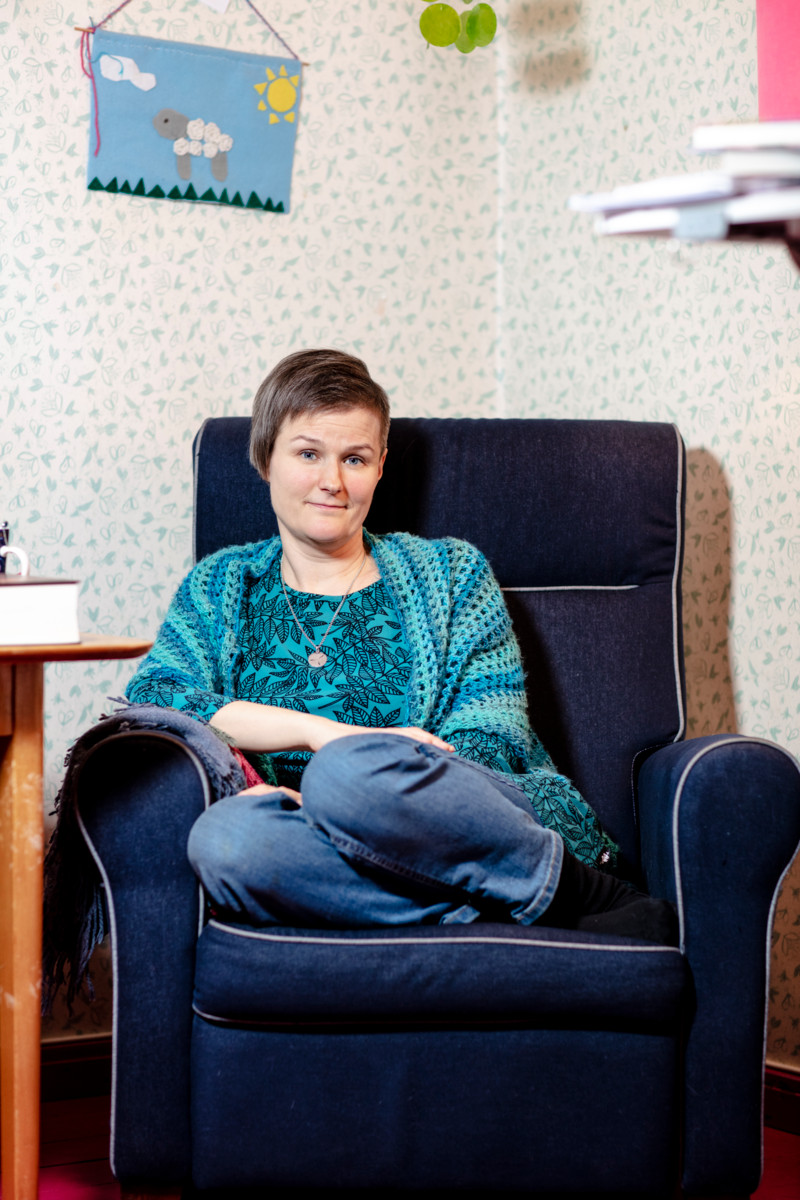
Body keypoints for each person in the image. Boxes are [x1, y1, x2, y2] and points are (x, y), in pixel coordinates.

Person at [126, 349, 676, 943]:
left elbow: (491, 738)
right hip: (307, 831)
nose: (332, 481)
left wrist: (357, 785)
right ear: (265, 458)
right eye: (308, 454)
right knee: (225, 839)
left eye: (355, 458)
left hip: (459, 811)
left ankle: (569, 883)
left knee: (347, 775)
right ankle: (497, 909)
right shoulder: (219, 586)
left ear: (381, 465)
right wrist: (319, 735)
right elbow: (157, 700)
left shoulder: (452, 574)